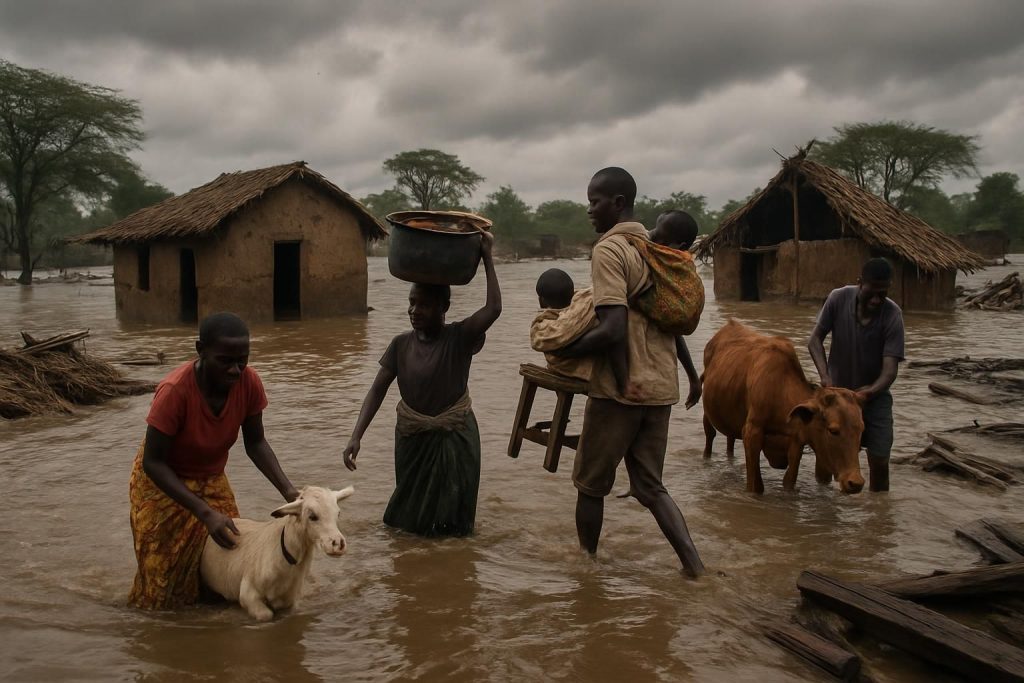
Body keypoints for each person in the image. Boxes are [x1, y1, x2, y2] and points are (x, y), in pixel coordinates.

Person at [553, 167, 705, 577]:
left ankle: (587, 572)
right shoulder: (659, 250)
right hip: (660, 388)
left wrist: (567, 348)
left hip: (622, 391)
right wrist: (693, 375)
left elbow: (613, 329)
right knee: (651, 487)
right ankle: (695, 568)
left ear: (618, 203)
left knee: (590, 485)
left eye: (594, 201)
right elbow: (670, 321)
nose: (589, 210)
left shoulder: (611, 250)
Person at [129, 312, 298, 610]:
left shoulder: (249, 383)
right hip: (162, 483)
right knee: (163, 584)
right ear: (200, 350)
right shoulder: (175, 391)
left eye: (242, 360)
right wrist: (205, 514)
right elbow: (153, 462)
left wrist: (290, 493)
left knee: (229, 557)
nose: (235, 370)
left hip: (210, 478)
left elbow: (256, 443)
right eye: (225, 361)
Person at [343, 231, 501, 537]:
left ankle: (447, 567)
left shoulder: (459, 337)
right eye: (412, 303)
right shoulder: (400, 344)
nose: (414, 311)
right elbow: (377, 390)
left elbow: (493, 309)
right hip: (412, 436)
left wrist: (487, 258)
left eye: (424, 305)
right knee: (407, 520)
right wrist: (356, 435)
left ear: (443, 309)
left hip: (455, 434)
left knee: (454, 523)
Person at [808, 257, 905, 492]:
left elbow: (890, 370)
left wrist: (868, 392)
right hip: (837, 396)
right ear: (860, 283)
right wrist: (825, 378)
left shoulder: (892, 315)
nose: (876, 299)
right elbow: (814, 341)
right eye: (871, 292)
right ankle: (822, 504)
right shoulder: (838, 298)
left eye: (882, 294)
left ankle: (878, 513)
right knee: (827, 456)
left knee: (880, 459)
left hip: (873, 397)